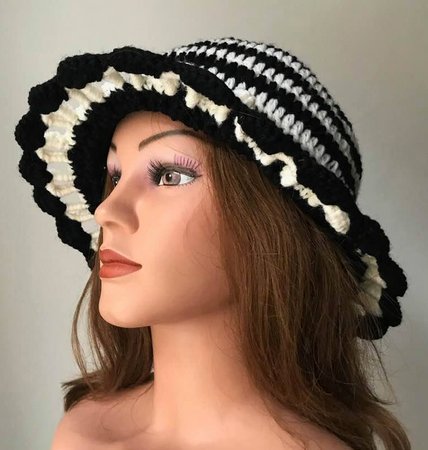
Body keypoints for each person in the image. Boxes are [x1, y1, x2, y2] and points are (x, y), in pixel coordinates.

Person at [14, 36, 411, 449]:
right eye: (115, 176)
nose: (107, 211)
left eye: (170, 175)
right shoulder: (83, 432)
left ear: (272, 227)